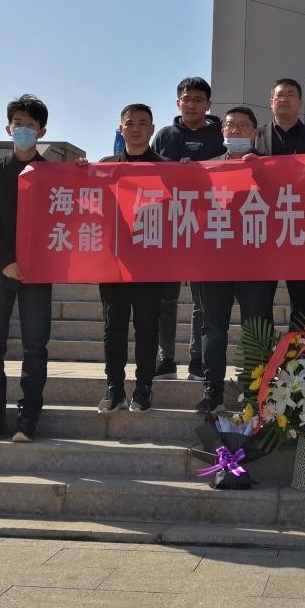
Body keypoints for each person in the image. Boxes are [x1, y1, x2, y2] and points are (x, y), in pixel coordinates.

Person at [0, 94, 53, 443]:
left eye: (30, 126)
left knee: (35, 347)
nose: (23, 130)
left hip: (38, 273)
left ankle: (28, 419)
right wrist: (7, 262)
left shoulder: (53, 174)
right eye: (18, 124)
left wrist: (83, 176)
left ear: (42, 131)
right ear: (8, 128)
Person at [197, 106, 276, 413]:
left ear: (255, 133)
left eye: (244, 126)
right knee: (213, 328)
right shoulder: (206, 169)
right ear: (222, 132)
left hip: (255, 262)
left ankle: (256, 391)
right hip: (214, 261)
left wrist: (262, 173)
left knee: (256, 326)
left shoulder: (269, 166)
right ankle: (212, 390)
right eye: (231, 126)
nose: (237, 131)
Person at [95, 104, 173, 414]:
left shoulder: (168, 168)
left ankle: (143, 388)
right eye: (130, 123)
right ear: (121, 129)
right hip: (114, 261)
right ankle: (114, 388)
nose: (137, 128)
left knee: (146, 327)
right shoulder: (106, 166)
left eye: (143, 123)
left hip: (151, 261)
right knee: (113, 326)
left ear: (153, 129)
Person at [152, 77, 226, 382]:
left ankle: (197, 360)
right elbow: (145, 172)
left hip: (207, 225)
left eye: (198, 99)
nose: (192, 104)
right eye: (186, 98)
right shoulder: (165, 136)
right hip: (168, 223)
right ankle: (165, 357)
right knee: (165, 298)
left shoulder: (220, 136)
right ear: (177, 102)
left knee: (201, 301)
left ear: (208, 104)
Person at [253, 78, 305, 327]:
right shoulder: (255, 137)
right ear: (271, 102)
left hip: (301, 227)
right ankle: (263, 360)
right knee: (261, 300)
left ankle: (300, 360)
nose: (284, 98)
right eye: (279, 94)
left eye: (290, 94)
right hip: (264, 228)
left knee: (302, 301)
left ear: (300, 102)